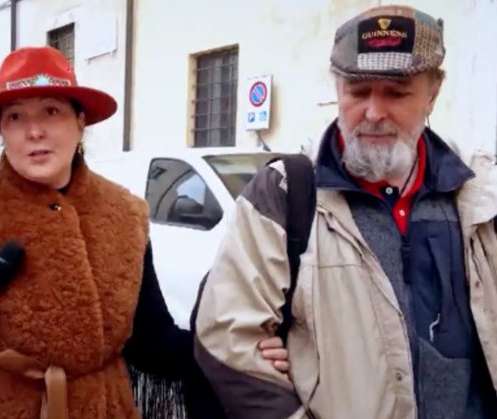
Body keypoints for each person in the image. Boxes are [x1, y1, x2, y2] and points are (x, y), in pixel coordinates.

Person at [0, 46, 289, 419]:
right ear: (1, 129)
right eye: (15, 117)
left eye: (51, 111)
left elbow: (152, 340)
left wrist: (238, 353)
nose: (34, 131)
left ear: (80, 121)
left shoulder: (124, 214)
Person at [195, 5, 497, 419]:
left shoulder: (480, 195)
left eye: (396, 93)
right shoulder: (286, 194)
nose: (374, 113)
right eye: (358, 91)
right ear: (337, 89)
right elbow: (229, 339)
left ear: (433, 93)